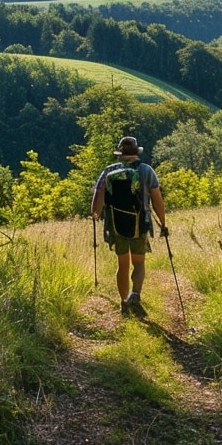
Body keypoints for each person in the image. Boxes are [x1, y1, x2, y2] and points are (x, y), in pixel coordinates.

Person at [91, 135, 167, 315]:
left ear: (119, 154)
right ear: (136, 153)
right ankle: (136, 294)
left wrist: (96, 214)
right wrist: (163, 223)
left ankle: (123, 301)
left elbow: (95, 206)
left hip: (116, 226)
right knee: (139, 263)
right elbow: (157, 201)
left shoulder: (108, 171)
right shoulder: (147, 171)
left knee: (122, 264)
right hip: (140, 224)